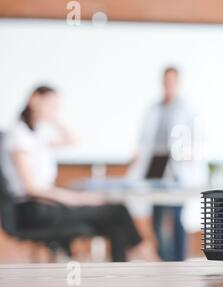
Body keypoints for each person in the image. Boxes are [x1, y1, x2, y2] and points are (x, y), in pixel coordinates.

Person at [1, 86, 142, 261]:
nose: (54, 109)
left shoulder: (36, 136)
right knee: (116, 211)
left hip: (46, 206)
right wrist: (77, 199)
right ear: (34, 100)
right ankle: (145, 257)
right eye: (50, 104)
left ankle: (123, 274)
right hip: (33, 210)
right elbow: (32, 189)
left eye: (56, 106)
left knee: (114, 223)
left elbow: (73, 140)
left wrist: (54, 119)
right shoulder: (19, 136)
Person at [128, 67, 207, 261]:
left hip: (177, 168)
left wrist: (189, 153)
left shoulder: (187, 109)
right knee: (157, 218)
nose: (169, 85)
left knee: (177, 216)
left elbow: (199, 139)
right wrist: (137, 156)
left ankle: (178, 260)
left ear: (178, 83)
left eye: (173, 81)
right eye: (166, 81)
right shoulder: (154, 108)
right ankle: (165, 260)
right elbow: (144, 138)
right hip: (156, 165)